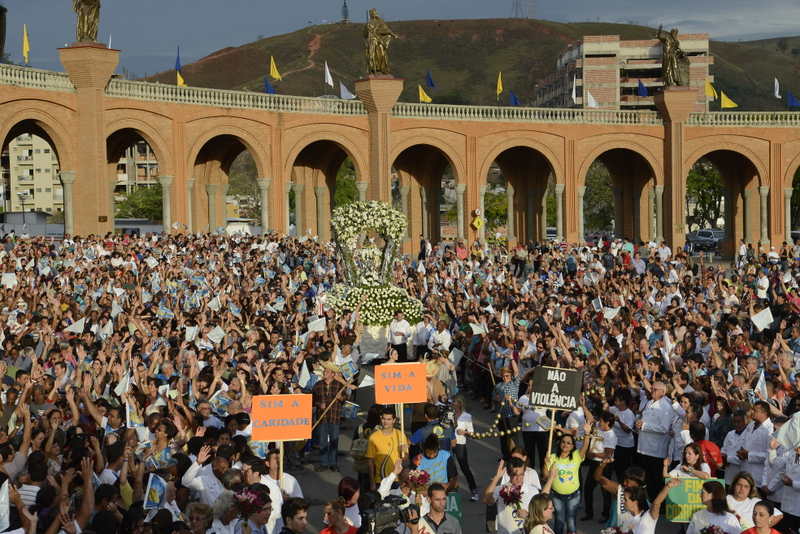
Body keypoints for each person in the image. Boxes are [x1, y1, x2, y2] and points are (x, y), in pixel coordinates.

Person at [543, 423, 592, 534]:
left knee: (571, 522)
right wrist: (545, 463)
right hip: (556, 496)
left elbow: (585, 446)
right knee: (559, 522)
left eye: (569, 443)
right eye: (563, 442)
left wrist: (587, 433)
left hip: (573, 495)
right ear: (560, 443)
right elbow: (546, 476)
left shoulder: (576, 456)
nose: (566, 445)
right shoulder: (552, 457)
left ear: (573, 446)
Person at [635, 381, 675, 501]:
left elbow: (664, 428)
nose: (652, 391)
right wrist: (639, 423)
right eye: (651, 389)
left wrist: (644, 425)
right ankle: (650, 502)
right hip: (644, 447)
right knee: (647, 479)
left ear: (663, 392)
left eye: (655, 389)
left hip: (655, 450)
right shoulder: (649, 403)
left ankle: (658, 505)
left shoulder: (666, 407)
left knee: (655, 480)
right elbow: (645, 419)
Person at [483, 458, 539, 534]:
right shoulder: (501, 489)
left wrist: (528, 516)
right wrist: (496, 477)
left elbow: (540, 516)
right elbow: (486, 500)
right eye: (514, 475)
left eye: (521, 474)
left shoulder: (533, 491)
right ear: (508, 474)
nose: (519, 479)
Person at [312, 362, 350, 472]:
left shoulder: (339, 385)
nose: (325, 373)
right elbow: (313, 400)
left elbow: (345, 399)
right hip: (322, 418)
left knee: (334, 440)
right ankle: (323, 463)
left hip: (334, 416)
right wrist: (319, 404)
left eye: (327, 372)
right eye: (324, 371)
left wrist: (340, 398)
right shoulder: (318, 385)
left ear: (333, 374)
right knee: (323, 441)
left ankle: (333, 463)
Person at [366, 406, 408, 490]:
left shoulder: (401, 435)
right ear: (380, 419)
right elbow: (370, 462)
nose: (386, 422)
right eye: (384, 419)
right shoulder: (373, 437)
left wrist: (403, 452)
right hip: (380, 480)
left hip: (396, 480)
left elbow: (405, 459)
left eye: (389, 419)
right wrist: (372, 482)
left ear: (394, 420)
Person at [452, 397, 479, 501]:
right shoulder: (449, 415)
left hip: (460, 444)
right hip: (449, 443)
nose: (453, 404)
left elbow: (471, 433)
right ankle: (450, 493)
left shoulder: (467, 416)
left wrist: (464, 432)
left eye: (455, 402)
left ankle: (474, 492)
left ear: (460, 404)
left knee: (465, 468)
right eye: (453, 402)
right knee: (450, 469)